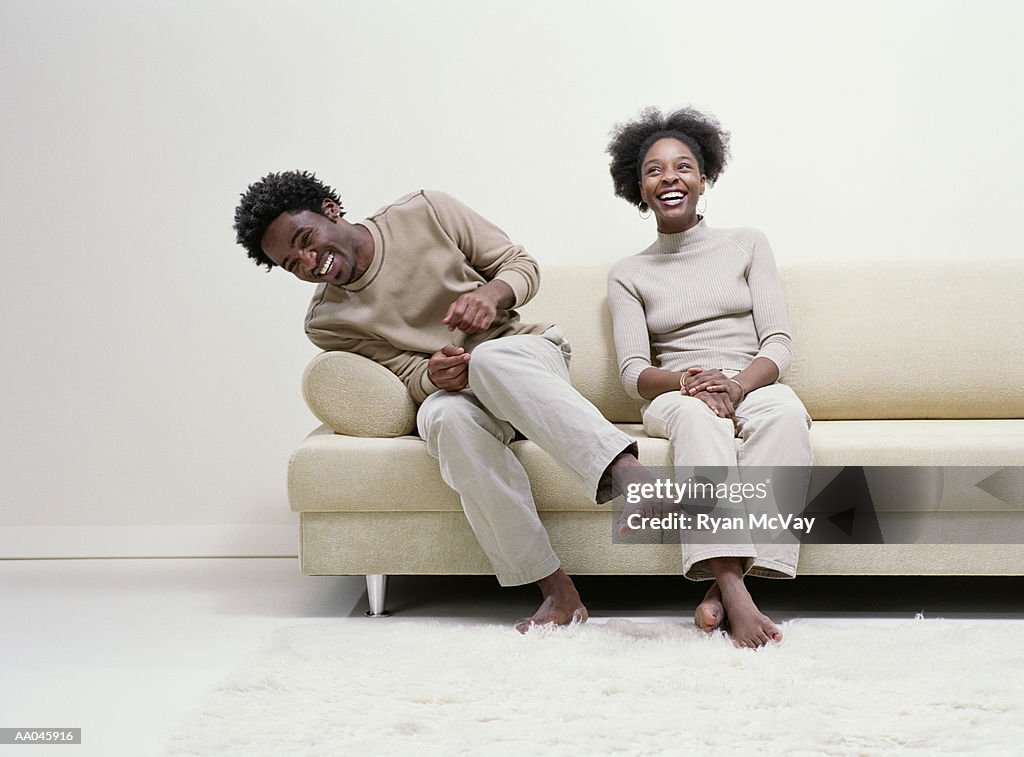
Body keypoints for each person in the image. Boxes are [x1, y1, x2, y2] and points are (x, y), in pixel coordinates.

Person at [233, 172, 666, 632]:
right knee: (442, 417)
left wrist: (489, 294)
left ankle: (630, 476)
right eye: (291, 262)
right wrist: (432, 376)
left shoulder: (425, 210)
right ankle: (557, 593)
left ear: (330, 210)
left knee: (491, 358)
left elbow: (520, 265)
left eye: (306, 239)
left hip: (524, 360)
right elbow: (406, 374)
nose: (307, 261)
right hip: (460, 392)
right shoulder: (327, 322)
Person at [605, 107, 813, 648]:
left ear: (703, 178)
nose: (669, 177)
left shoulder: (746, 243)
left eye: (682, 167)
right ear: (638, 186)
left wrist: (738, 385)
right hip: (677, 392)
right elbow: (634, 373)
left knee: (787, 415)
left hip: (749, 380)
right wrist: (687, 382)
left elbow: (778, 345)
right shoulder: (629, 272)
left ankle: (727, 588)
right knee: (701, 426)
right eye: (654, 170)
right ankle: (733, 591)